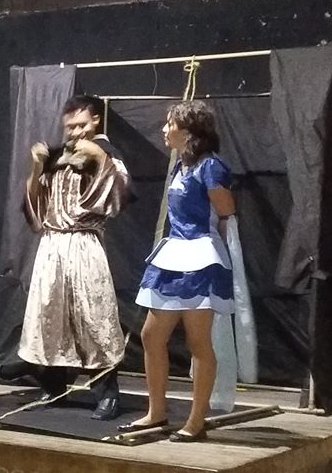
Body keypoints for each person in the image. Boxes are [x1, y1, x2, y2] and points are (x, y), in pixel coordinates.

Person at [120, 100, 236, 442]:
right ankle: (156, 411)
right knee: (151, 335)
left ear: (188, 131)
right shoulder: (181, 166)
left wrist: (218, 251)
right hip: (174, 254)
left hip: (200, 256)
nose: (164, 130)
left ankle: (196, 421)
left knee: (198, 341)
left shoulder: (210, 166)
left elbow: (226, 211)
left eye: (169, 124)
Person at [19, 95, 130, 421]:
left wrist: (98, 157)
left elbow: (118, 195)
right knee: (49, 315)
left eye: (81, 125)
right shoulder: (58, 155)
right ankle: (52, 386)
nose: (76, 132)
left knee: (93, 316)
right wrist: (37, 166)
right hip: (52, 243)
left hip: (83, 242)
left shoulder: (106, 153)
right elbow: (35, 206)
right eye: (70, 127)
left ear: (96, 120)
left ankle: (106, 393)